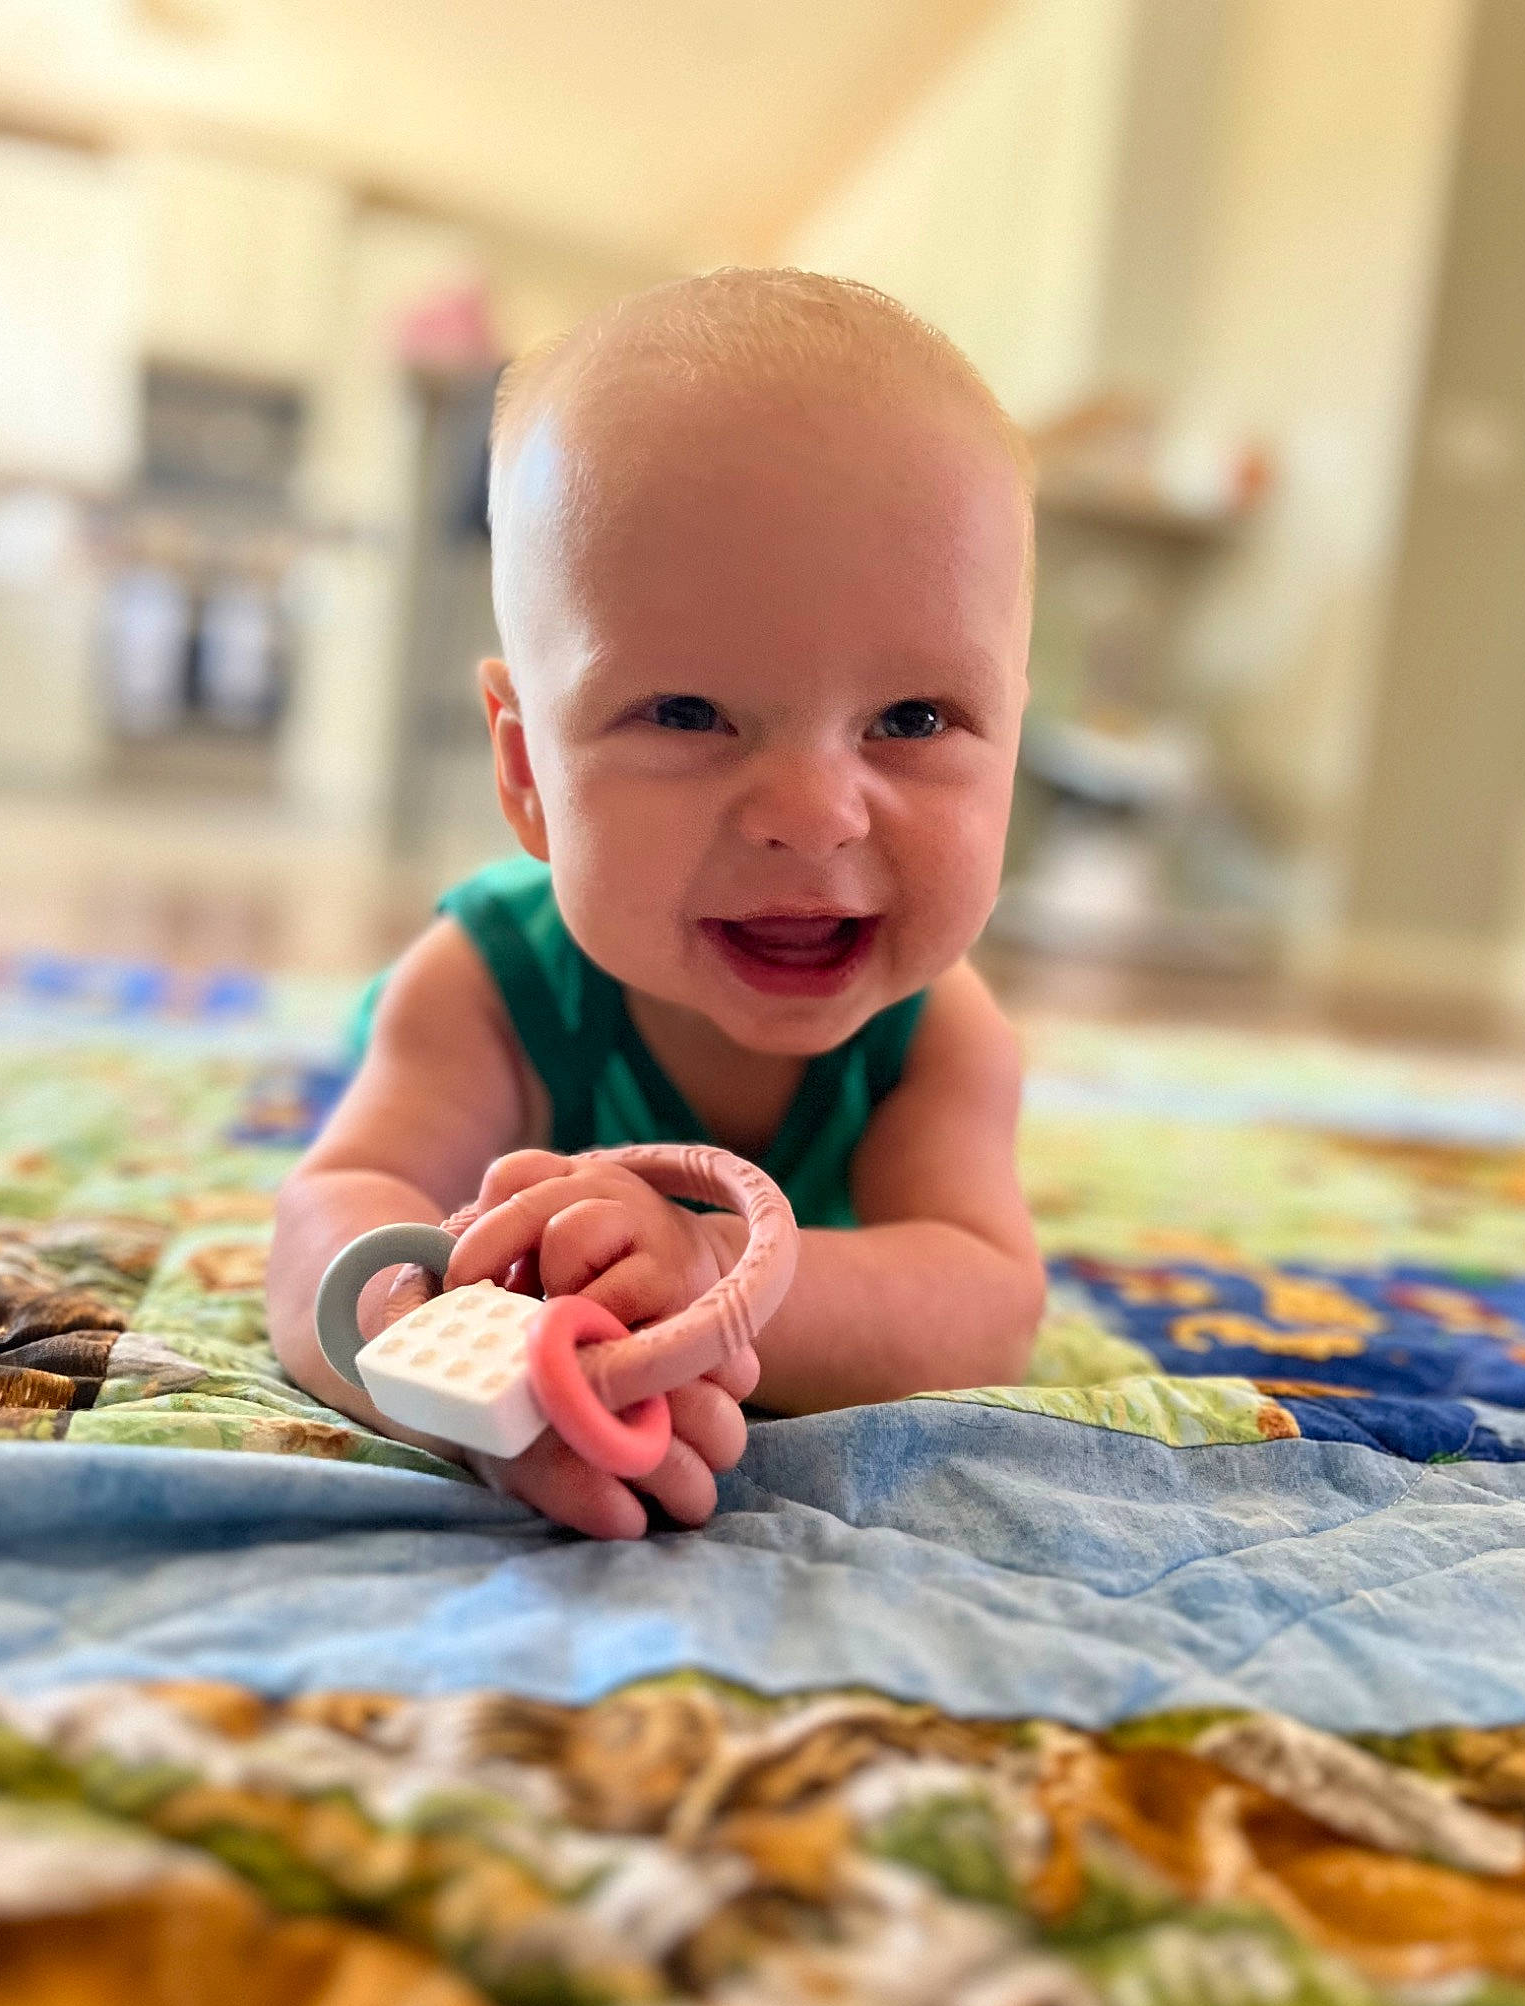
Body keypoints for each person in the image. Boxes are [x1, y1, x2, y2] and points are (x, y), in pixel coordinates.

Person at [267, 268, 1046, 1538]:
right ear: (526, 770)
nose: (813, 813)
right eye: (688, 713)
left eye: (913, 717)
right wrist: (467, 1379)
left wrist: (705, 1280)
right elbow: (333, 1215)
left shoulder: (938, 1033)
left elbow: (985, 1301)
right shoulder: (485, 984)